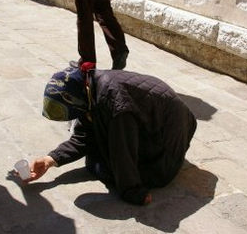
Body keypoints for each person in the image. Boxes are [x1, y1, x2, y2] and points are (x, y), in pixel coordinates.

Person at [24, 63, 197, 206]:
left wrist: (133, 192)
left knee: (98, 165)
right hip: (157, 123)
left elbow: (123, 151)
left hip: (170, 139)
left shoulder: (114, 103)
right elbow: (84, 136)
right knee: (96, 154)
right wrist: (51, 159)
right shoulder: (90, 89)